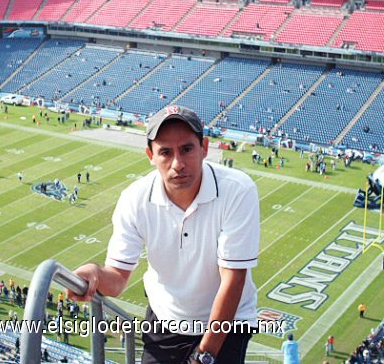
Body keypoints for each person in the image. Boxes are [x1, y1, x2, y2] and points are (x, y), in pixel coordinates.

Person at [69, 106, 260, 363]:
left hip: (228, 322)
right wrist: (94, 273)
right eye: (165, 153)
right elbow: (117, 279)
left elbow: (233, 279)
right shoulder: (134, 199)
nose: (177, 164)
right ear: (150, 155)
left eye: (187, 149)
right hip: (166, 317)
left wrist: (204, 356)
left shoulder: (237, 190)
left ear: (204, 148)